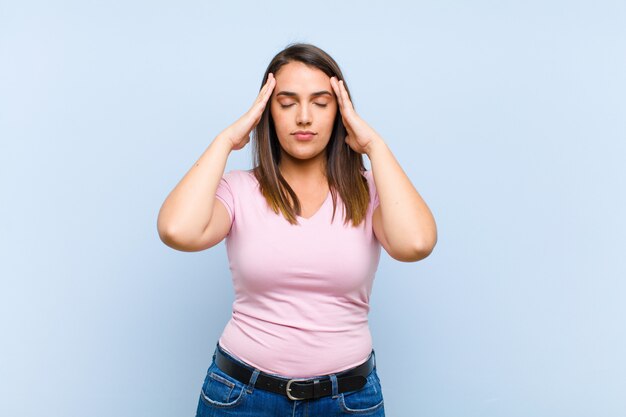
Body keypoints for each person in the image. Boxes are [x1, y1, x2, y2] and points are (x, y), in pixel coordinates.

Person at [157, 43, 437, 416]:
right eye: (287, 103)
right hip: (240, 397)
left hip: (348, 400)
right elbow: (177, 230)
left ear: (341, 112)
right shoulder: (239, 189)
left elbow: (415, 244)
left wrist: (375, 146)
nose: (304, 117)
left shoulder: (370, 191)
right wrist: (225, 142)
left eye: (321, 103)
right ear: (267, 113)